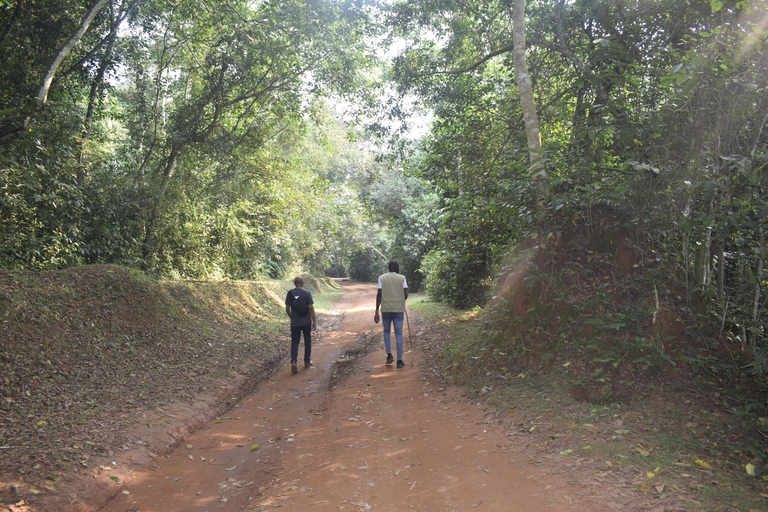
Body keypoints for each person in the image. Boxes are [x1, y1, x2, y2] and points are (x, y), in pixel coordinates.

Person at [375, 261, 408, 368]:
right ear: (397, 267)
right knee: (398, 333)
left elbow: (379, 295)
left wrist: (376, 310)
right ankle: (399, 361)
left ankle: (389, 355)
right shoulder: (402, 278)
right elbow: (405, 294)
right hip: (398, 309)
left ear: (389, 268)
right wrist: (401, 302)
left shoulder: (382, 278)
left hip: (386, 309)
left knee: (387, 331)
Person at [285, 276, 316, 374]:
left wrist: (292, 317)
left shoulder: (290, 293)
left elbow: (287, 308)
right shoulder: (307, 293)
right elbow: (310, 307)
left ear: (294, 284)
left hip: (295, 323)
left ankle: (293, 362)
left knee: (294, 342)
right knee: (307, 340)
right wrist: (314, 320)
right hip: (306, 322)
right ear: (302, 283)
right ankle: (307, 361)